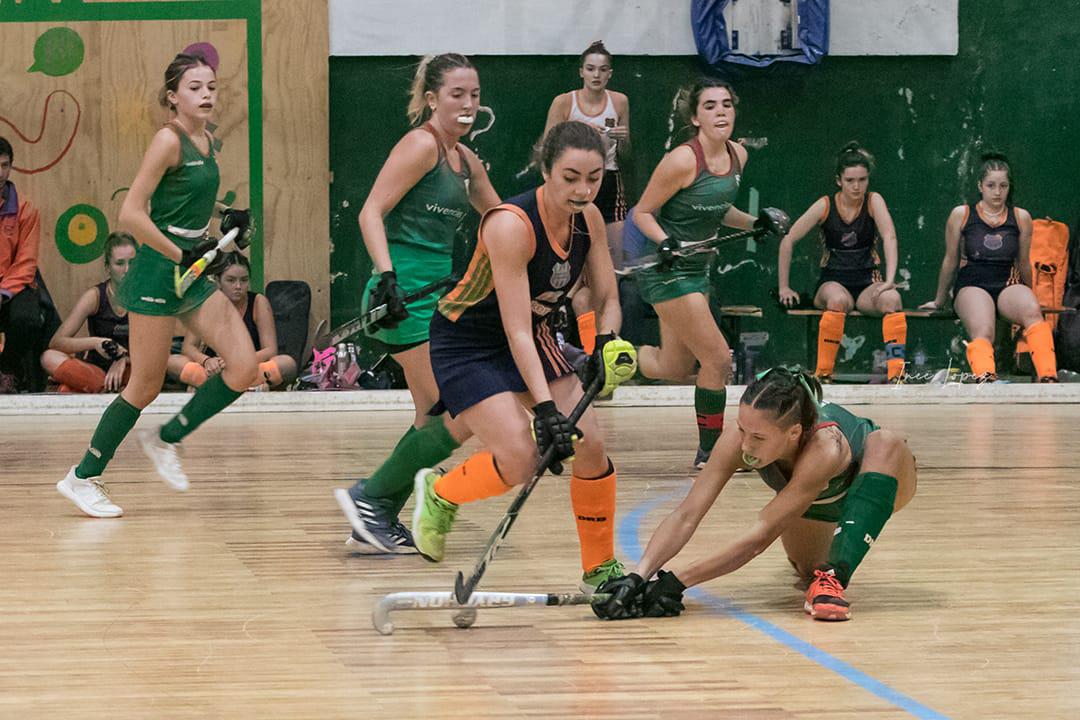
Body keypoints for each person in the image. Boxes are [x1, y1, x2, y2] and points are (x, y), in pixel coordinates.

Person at [411, 121, 638, 592]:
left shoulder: (590, 219)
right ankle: (439, 491)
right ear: (546, 170)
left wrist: (606, 342)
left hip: (533, 335)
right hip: (470, 341)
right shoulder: (510, 225)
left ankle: (599, 569)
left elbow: (608, 295)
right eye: (571, 177)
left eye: (594, 178)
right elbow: (513, 330)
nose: (583, 189)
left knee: (590, 444)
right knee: (521, 459)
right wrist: (548, 411)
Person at [56, 51, 256, 518]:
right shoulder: (167, 141)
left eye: (211, 87)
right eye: (195, 88)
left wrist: (224, 220)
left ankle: (167, 438)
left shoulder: (208, 139)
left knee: (243, 366)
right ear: (173, 97)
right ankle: (82, 476)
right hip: (156, 272)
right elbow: (132, 214)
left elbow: (180, 209)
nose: (207, 94)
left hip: (189, 270)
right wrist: (178, 253)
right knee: (143, 385)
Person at [334, 53, 500, 553]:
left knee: (434, 415)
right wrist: (387, 276)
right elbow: (370, 212)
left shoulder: (465, 160)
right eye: (456, 95)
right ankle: (370, 498)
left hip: (439, 300)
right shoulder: (420, 145)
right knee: (449, 411)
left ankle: (375, 510)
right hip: (400, 298)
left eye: (474, 95)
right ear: (432, 99)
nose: (468, 104)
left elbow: (500, 215)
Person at [594, 367, 917, 622]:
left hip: (881, 481)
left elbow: (758, 538)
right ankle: (821, 574)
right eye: (742, 430)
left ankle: (833, 578)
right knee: (806, 571)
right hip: (815, 501)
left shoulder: (824, 447)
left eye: (759, 437)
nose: (746, 446)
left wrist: (677, 581)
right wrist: (639, 575)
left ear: (794, 433)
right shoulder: (741, 439)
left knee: (884, 443)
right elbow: (686, 514)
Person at [624, 79, 787, 469]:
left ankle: (605, 360)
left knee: (673, 367)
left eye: (727, 105)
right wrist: (664, 242)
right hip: (666, 270)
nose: (721, 112)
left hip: (698, 267)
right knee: (717, 360)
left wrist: (755, 223)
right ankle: (710, 453)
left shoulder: (738, 157)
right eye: (710, 106)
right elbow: (643, 212)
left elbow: (717, 210)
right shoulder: (682, 160)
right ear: (695, 117)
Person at [920, 153, 1057, 382]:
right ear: (980, 186)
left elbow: (1023, 262)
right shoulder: (962, 215)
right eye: (991, 185)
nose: (997, 192)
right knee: (984, 330)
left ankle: (1048, 378)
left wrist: (1029, 293)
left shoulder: (1020, 217)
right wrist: (939, 300)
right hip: (972, 284)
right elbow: (950, 261)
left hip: (1007, 282)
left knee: (1033, 312)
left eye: (1003, 186)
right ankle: (986, 379)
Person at [777, 142, 906, 383]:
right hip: (833, 281)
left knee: (892, 299)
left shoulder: (873, 200)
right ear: (839, 180)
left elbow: (890, 236)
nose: (857, 186)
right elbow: (788, 239)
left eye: (862, 180)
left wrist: (889, 280)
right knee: (837, 301)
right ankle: (824, 374)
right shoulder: (825, 205)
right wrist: (784, 286)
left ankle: (897, 374)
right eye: (850, 180)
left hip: (868, 280)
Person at [543, 40, 631, 354]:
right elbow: (547, 146)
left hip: (609, 183)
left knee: (611, 274)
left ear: (610, 74)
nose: (596, 75)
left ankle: (599, 348)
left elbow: (626, 153)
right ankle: (574, 335)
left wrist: (621, 139)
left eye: (603, 69)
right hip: (574, 188)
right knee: (576, 287)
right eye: (590, 68)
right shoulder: (564, 102)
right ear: (581, 71)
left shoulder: (619, 101)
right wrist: (578, 134)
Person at [167, 253, 297, 389]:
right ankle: (217, 383)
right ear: (217, 281)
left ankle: (231, 385)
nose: (238, 286)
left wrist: (239, 360)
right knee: (171, 362)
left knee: (287, 364)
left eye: (244, 280)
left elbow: (270, 350)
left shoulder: (258, 302)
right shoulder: (205, 305)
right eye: (231, 280)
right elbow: (188, 348)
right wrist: (206, 361)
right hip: (213, 370)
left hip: (250, 367)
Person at [41, 232, 135, 393]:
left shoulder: (144, 298)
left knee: (159, 365)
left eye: (132, 263)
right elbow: (57, 342)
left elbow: (156, 350)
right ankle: (103, 387)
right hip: (94, 369)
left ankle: (84, 388)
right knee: (48, 357)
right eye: (120, 263)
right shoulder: (96, 296)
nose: (127, 270)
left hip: (131, 368)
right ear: (108, 268)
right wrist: (96, 342)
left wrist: (124, 359)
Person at [0, 135, 54, 392]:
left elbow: (26, 262)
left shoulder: (26, 209)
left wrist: (3, 292)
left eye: (4, 165)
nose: (0, 172)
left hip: (13, 286)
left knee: (28, 319)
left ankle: (7, 369)